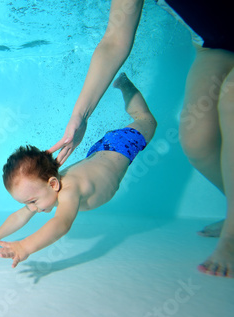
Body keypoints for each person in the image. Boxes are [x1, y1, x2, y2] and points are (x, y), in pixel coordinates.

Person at [47, 0, 234, 278]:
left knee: (230, 100)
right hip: (215, 44)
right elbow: (114, 39)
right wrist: (81, 116)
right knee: (197, 142)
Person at [0, 73, 157, 268]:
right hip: (99, 151)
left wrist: (24, 247)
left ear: (53, 183)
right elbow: (20, 215)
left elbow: (61, 224)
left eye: (33, 201)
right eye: (29, 203)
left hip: (122, 146)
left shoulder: (69, 191)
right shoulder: (45, 186)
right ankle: (124, 85)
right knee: (141, 120)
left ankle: (125, 84)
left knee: (147, 120)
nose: (33, 207)